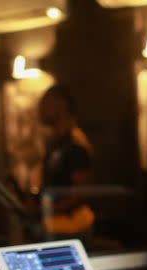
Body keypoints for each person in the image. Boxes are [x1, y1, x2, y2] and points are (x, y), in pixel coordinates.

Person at [37, 84, 95, 236]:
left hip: (73, 226)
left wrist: (47, 210)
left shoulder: (75, 143)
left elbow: (81, 192)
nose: (41, 110)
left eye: (46, 103)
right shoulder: (55, 143)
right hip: (56, 225)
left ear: (61, 105)